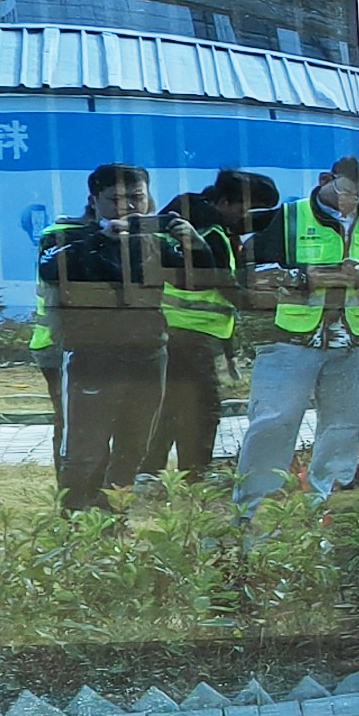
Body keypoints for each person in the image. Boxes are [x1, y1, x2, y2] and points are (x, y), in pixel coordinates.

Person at [237, 157, 359, 506]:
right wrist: (303, 276)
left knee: (342, 428)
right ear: (325, 179)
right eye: (346, 191)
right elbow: (251, 272)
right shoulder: (290, 215)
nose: (351, 200)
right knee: (273, 423)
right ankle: (254, 510)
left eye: (358, 194)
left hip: (350, 342)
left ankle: (325, 507)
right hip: (289, 340)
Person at [39, 162, 167, 515]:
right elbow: (50, 268)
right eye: (115, 200)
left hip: (148, 352)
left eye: (137, 198)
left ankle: (114, 516)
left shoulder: (156, 235)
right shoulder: (65, 231)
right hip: (90, 353)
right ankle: (73, 517)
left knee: (134, 445)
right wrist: (101, 237)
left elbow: (198, 271)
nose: (127, 208)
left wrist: (186, 236)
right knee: (84, 447)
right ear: (94, 200)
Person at [147, 170, 270, 486]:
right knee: (202, 409)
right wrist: (254, 299)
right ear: (226, 202)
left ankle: (150, 472)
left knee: (170, 405)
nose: (248, 218)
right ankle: (195, 475)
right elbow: (221, 283)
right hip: (193, 332)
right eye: (247, 209)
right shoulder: (211, 231)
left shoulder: (185, 216)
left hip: (172, 330)